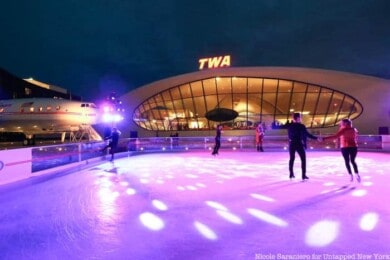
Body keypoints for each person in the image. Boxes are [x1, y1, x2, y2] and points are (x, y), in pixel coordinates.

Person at [280, 113, 320, 181]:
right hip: (298, 143)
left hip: (292, 143)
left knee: (292, 159)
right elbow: (307, 135)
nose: (301, 118)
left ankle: (291, 173)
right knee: (303, 159)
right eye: (300, 117)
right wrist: (316, 138)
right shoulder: (301, 126)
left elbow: (280, 126)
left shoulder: (290, 125)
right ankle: (303, 175)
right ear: (298, 118)